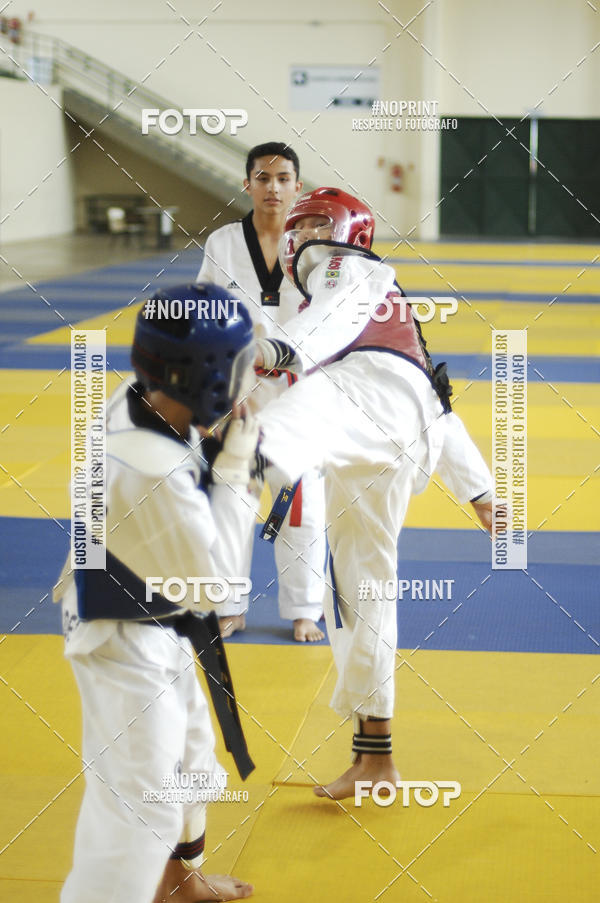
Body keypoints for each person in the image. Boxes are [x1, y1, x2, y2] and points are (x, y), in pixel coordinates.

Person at [254, 188, 494, 800]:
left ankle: (219, 481)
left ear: (344, 229)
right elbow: (435, 403)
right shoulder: (381, 313)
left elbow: (320, 339)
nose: (301, 234)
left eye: (313, 222)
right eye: (297, 225)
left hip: (365, 407)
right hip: (394, 437)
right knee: (365, 593)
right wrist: (482, 492)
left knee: (286, 417)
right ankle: (376, 756)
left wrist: (275, 350)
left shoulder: (349, 267)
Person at [54, 283, 257, 901]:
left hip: (152, 611)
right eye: (238, 366)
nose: (248, 380)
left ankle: (178, 882)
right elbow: (219, 583)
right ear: (207, 377)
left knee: (193, 760)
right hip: (122, 638)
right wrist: (237, 461)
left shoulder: (147, 395)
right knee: (138, 811)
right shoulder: (151, 473)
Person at [198, 141, 326, 643]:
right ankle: (228, 605)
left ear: (299, 185)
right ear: (247, 183)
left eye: (283, 178)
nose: (273, 187)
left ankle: (304, 608)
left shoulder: (316, 248)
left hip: (300, 394)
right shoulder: (223, 243)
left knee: (302, 503)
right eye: (263, 177)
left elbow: (335, 325)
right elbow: (205, 317)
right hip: (238, 392)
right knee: (231, 497)